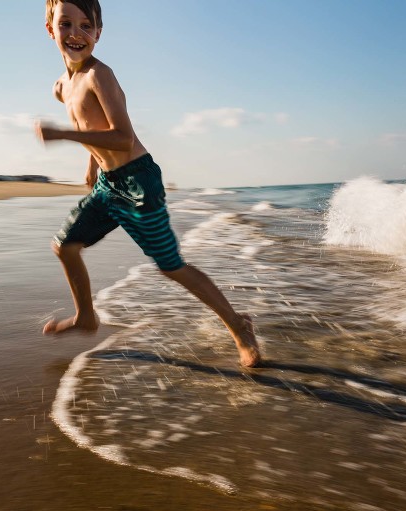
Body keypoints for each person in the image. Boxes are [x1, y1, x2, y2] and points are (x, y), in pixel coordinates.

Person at [35, 0, 262, 367]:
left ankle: (239, 326)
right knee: (65, 246)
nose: (76, 33)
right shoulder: (62, 87)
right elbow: (91, 128)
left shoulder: (99, 76)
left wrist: (63, 136)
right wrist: (92, 164)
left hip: (138, 182)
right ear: (50, 30)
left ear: (98, 33)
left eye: (85, 25)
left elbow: (123, 137)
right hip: (108, 184)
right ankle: (87, 317)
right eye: (65, 24)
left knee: (171, 266)